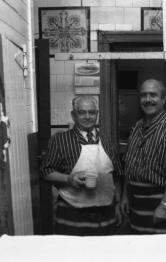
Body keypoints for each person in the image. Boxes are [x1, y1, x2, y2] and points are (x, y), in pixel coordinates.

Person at [41, 96, 122, 235]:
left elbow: (118, 175)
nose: (88, 116)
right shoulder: (60, 140)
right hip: (72, 213)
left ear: (97, 114)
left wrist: (118, 203)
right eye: (82, 112)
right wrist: (69, 179)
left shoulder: (107, 140)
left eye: (92, 112)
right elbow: (46, 172)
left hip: (106, 213)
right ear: (73, 115)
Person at [122, 78, 166, 234]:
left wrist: (164, 206)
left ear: (163, 99)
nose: (148, 100)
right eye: (143, 95)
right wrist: (125, 196)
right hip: (135, 209)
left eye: (153, 95)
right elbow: (129, 165)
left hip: (160, 210)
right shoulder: (136, 127)